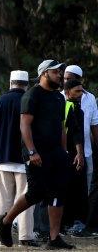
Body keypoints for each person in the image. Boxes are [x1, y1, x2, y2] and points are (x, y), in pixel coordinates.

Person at [0, 60, 74, 250]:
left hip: (56, 153)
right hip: (36, 153)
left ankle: (54, 239)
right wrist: (32, 151)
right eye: (56, 72)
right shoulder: (32, 95)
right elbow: (24, 125)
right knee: (36, 192)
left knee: (58, 193)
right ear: (44, 73)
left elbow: (61, 127)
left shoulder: (58, 97)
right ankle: (5, 221)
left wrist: (63, 151)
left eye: (60, 72)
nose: (60, 75)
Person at [0, 70, 35, 247]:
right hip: (24, 159)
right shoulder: (30, 101)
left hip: (2, 158)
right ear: (26, 84)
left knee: (3, 200)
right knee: (26, 199)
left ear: (10, 82)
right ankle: (25, 236)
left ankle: (0, 235)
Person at [63, 65, 97, 237]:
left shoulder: (90, 98)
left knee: (85, 190)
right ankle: (66, 222)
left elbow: (94, 125)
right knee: (66, 188)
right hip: (66, 153)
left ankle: (81, 223)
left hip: (86, 152)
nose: (65, 81)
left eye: (69, 78)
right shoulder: (59, 97)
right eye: (65, 78)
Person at [62, 79, 87, 236]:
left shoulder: (78, 108)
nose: (80, 95)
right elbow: (75, 134)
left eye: (81, 91)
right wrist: (80, 153)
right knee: (70, 190)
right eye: (77, 91)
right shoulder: (70, 107)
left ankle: (68, 223)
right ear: (67, 92)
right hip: (68, 155)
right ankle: (68, 224)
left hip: (70, 155)